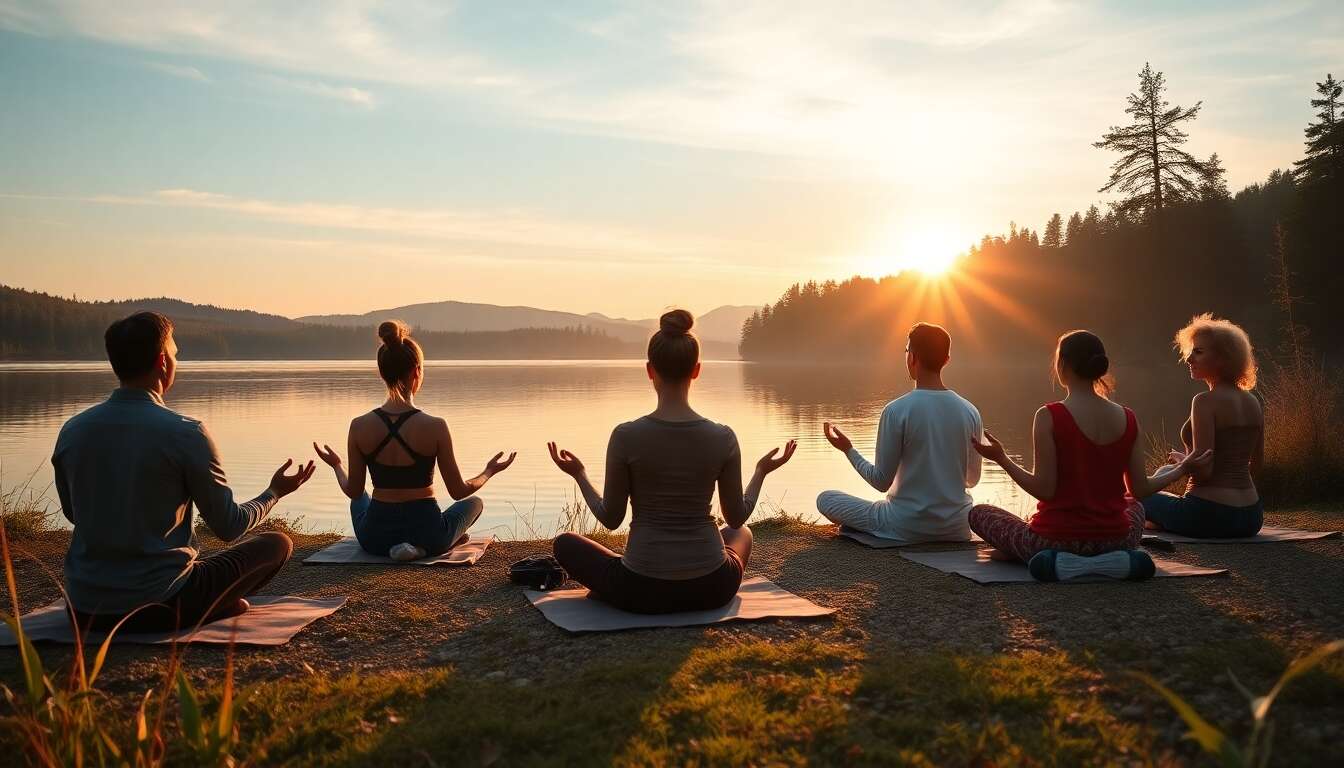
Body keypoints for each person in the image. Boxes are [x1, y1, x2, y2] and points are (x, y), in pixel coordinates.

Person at [54, 312, 314, 634]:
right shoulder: (186, 433)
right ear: (163, 361)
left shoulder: (72, 430)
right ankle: (207, 608)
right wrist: (273, 492)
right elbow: (229, 526)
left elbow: (73, 513)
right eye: (176, 354)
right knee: (277, 543)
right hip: (160, 605)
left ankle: (210, 604)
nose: (177, 360)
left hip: (83, 610)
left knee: (195, 566)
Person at [545, 309, 796, 614]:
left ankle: (615, 586)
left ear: (650, 370)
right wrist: (760, 472)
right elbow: (736, 518)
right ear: (697, 370)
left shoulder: (626, 436)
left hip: (639, 589)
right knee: (740, 534)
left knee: (566, 544)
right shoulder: (723, 437)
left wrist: (580, 474)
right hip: (712, 588)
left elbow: (611, 518)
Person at [968, 330, 1211, 582]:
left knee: (978, 513)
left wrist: (1002, 459)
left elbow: (1045, 490)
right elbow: (1140, 489)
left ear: (1063, 365)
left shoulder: (1048, 416)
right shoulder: (1128, 417)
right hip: (1116, 541)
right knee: (1134, 504)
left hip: (1052, 541)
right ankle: (1113, 563)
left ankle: (1050, 560)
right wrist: (1182, 469)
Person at [314, 320, 515, 560]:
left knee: (361, 498)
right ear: (416, 371)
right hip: (428, 533)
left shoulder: (359, 426)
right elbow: (458, 491)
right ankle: (426, 547)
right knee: (475, 502)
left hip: (375, 539)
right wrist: (488, 471)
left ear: (381, 373)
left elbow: (354, 491)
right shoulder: (435, 426)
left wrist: (337, 466)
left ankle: (412, 546)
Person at [816, 322, 984, 543]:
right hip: (956, 527)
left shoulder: (896, 411)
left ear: (912, 357)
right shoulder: (970, 411)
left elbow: (881, 482)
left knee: (826, 499)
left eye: (907, 351)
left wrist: (849, 450)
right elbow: (972, 480)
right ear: (946, 360)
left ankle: (871, 529)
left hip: (903, 525)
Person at [1141, 314, 1264, 538]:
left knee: (1135, 495)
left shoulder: (1204, 402)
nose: (1188, 359)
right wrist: (1185, 458)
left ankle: (1155, 523)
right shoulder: (1252, 401)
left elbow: (1205, 471)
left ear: (1223, 358)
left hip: (1209, 514)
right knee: (1163, 474)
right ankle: (1157, 522)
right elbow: (1256, 464)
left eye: (1198, 352)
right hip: (1252, 516)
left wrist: (1184, 466)